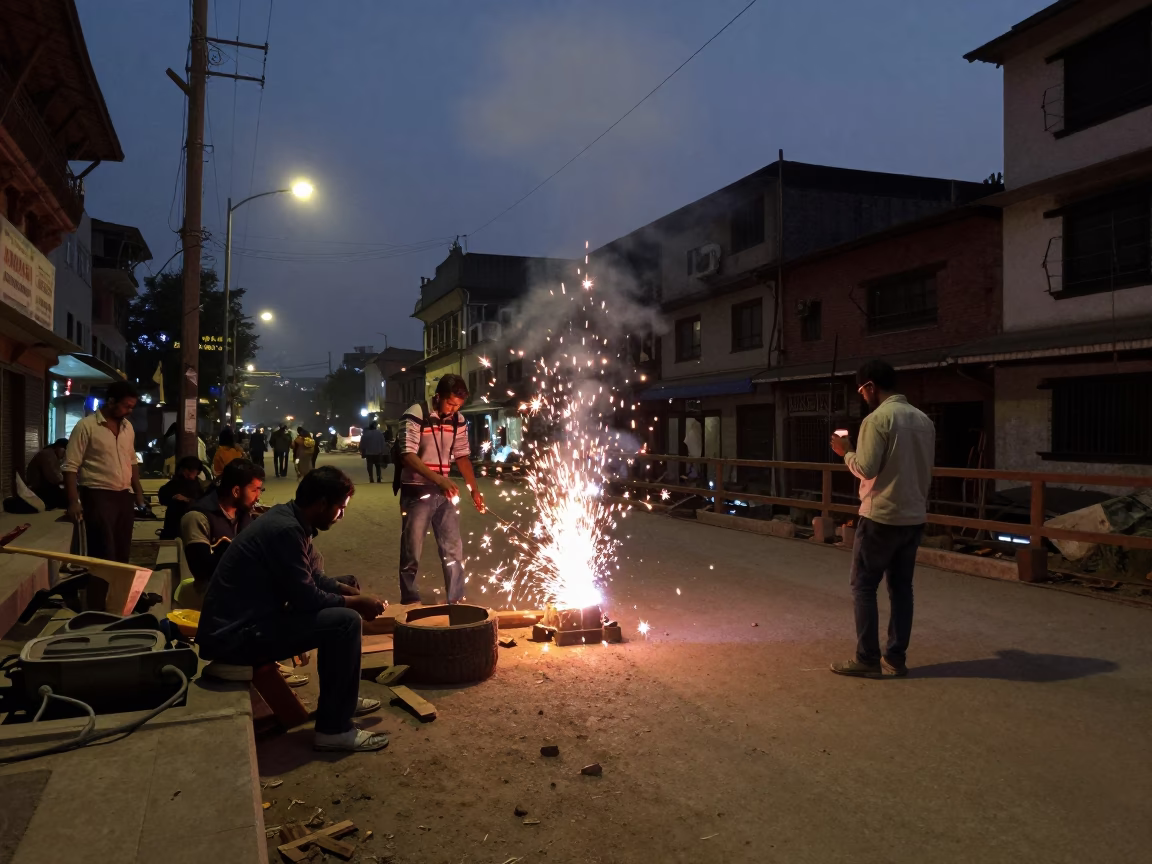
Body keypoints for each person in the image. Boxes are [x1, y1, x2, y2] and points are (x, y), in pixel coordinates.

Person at [197, 466, 390, 752]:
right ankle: (334, 730)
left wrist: (344, 590)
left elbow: (313, 577)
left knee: (344, 595)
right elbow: (307, 598)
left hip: (250, 623)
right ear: (322, 503)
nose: (342, 516)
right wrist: (356, 603)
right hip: (234, 637)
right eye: (340, 508)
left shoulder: (292, 520)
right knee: (345, 621)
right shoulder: (285, 530)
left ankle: (342, 701)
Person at [828, 358, 935, 679]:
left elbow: (866, 468)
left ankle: (867, 658)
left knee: (864, 586)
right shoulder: (923, 420)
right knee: (902, 590)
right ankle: (896, 657)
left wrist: (845, 451)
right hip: (913, 516)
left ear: (872, 386)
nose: (862, 397)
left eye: (862, 391)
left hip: (880, 516)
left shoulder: (877, 420)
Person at [397, 374, 485, 605]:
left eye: (458, 406)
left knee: (453, 549)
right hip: (416, 491)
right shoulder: (415, 414)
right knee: (411, 550)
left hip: (444, 493)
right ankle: (411, 600)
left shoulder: (458, 420)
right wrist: (439, 479)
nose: (453, 409)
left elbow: (462, 456)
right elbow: (407, 455)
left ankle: (456, 600)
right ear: (438, 397)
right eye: (450, 403)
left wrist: (474, 490)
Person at [62, 381, 148, 563]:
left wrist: (138, 493)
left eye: (132, 407)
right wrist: (73, 502)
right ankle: (99, 589)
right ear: (111, 402)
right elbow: (70, 466)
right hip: (97, 495)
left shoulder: (128, 428)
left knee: (122, 550)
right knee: (103, 550)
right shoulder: (86, 427)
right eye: (126, 406)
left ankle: (118, 590)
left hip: (124, 496)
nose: (130, 411)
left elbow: (132, 461)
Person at [176, 458, 265, 609]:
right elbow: (202, 570)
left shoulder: (244, 515)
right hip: (214, 598)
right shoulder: (198, 517)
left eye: (260, 490)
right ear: (236, 491)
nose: (258, 496)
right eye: (254, 490)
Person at [157, 456, 208, 540]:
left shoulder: (198, 484)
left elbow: (202, 502)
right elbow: (163, 495)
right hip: (174, 525)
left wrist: (187, 500)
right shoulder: (176, 482)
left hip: (191, 523)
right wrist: (173, 497)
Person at [25, 438, 69, 510]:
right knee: (65, 499)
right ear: (59, 447)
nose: (65, 454)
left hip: (43, 485)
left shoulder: (52, 454)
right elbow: (54, 476)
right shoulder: (47, 455)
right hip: (38, 487)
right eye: (65, 451)